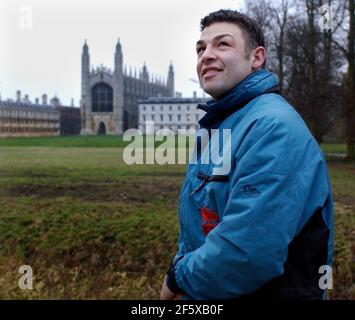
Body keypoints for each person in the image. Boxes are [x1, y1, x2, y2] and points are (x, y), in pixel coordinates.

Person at [160, 9, 333, 300]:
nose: (206, 54)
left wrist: (179, 278)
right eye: (201, 48)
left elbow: (248, 252)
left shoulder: (272, 128)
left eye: (222, 44)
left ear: (257, 58)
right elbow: (199, 225)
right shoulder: (220, 125)